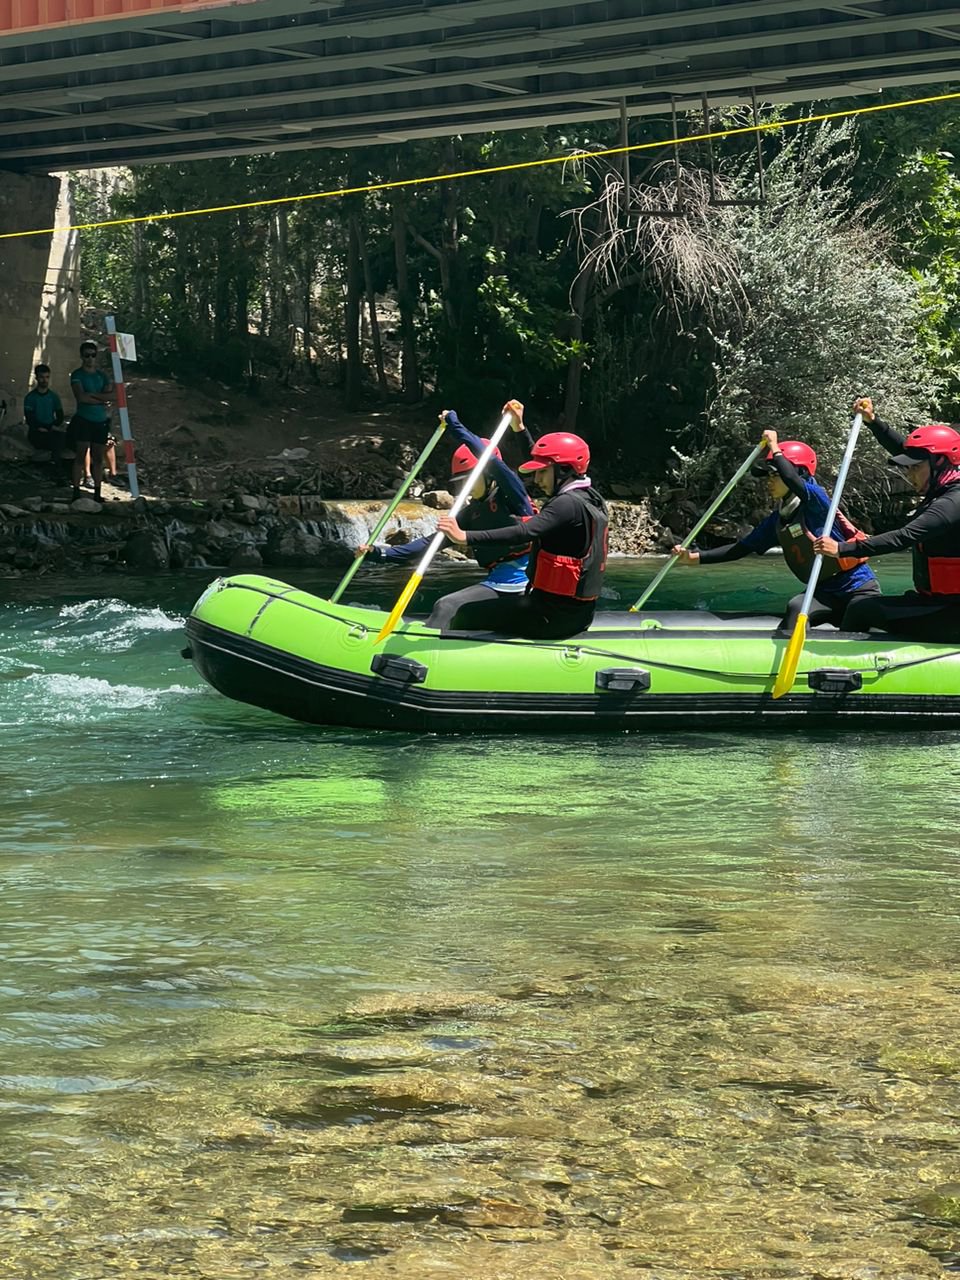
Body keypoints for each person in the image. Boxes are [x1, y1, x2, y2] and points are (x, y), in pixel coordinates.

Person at [672, 429, 880, 630]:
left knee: (855, 615)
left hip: (858, 589)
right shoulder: (777, 521)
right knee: (796, 607)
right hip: (824, 592)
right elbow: (741, 549)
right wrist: (695, 558)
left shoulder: (817, 501)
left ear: (799, 473)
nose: (769, 482)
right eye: (769, 476)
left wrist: (774, 446)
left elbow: (792, 480)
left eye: (775, 475)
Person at [359, 401, 535, 629]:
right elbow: (428, 544)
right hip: (497, 583)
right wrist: (378, 554)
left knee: (446, 606)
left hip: (522, 586)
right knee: (451, 609)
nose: (465, 487)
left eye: (468, 480)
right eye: (460, 482)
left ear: (489, 475)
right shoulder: (470, 514)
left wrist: (455, 426)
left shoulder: (513, 496)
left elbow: (490, 459)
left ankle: (424, 660)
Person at [437, 430, 608, 639]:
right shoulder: (590, 498)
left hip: (551, 618)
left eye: (542, 473)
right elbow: (546, 460)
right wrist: (520, 430)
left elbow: (525, 532)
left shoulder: (566, 504)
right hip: (573, 613)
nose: (536, 480)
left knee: (462, 612)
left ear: (564, 470)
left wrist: (465, 537)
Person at [813, 397, 960, 640]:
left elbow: (903, 537)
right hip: (936, 602)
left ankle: (839, 668)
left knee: (862, 609)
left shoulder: (952, 503)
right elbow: (904, 449)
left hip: (952, 613)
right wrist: (874, 422)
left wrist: (841, 548)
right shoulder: (942, 484)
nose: (909, 475)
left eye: (915, 468)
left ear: (941, 463)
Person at [68, 340, 114, 503]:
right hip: (84, 420)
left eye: (93, 355)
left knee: (98, 458)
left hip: (100, 421)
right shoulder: (77, 375)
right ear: (82, 357)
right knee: (80, 456)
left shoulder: (102, 376)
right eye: (87, 355)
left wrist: (92, 396)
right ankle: (76, 490)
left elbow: (110, 396)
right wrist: (101, 399)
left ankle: (97, 491)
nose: (90, 358)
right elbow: (81, 397)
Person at [23, 364, 66, 470]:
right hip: (36, 432)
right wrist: (42, 427)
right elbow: (30, 419)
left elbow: (60, 416)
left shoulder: (53, 396)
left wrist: (53, 426)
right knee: (56, 442)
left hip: (51, 429)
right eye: (42, 377)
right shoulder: (30, 397)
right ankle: (58, 472)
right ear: (37, 378)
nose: (44, 380)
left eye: (47, 377)